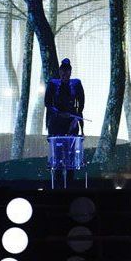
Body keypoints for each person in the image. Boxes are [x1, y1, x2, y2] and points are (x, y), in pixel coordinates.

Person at [44, 58, 85, 187]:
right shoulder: (52, 83)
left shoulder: (76, 84)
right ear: (59, 72)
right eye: (63, 72)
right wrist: (58, 113)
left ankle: (70, 183)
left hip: (71, 123)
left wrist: (75, 119)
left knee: (70, 154)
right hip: (56, 123)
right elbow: (48, 103)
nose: (65, 74)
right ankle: (57, 183)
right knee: (57, 154)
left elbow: (81, 104)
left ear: (70, 72)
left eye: (67, 72)